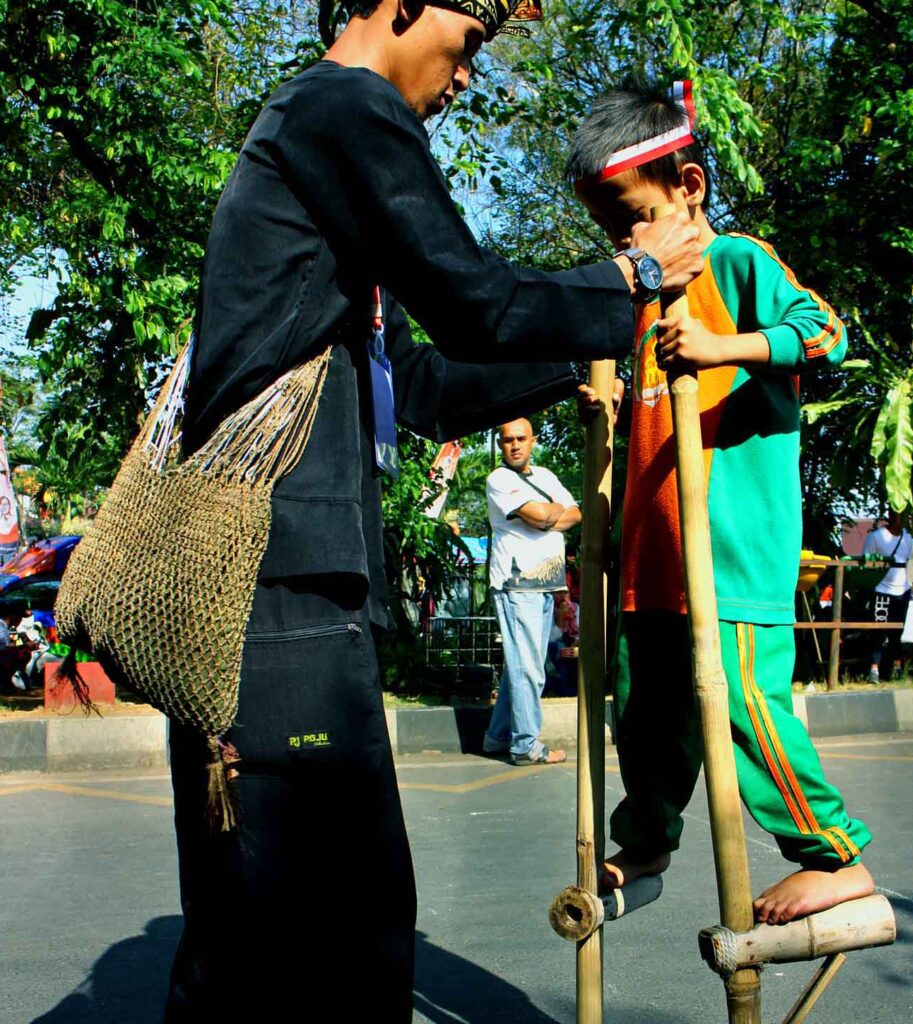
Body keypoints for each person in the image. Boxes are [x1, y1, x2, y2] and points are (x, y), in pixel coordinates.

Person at [165, 4, 705, 1020]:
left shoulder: (323, 158)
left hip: (304, 583)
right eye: (471, 39)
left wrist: (588, 350)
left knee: (271, 931)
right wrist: (631, 278)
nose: (467, 76)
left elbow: (423, 382)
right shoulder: (343, 110)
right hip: (274, 584)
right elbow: (472, 295)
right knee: (328, 930)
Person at [570, 78, 873, 926]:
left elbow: (826, 337)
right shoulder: (636, 306)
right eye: (609, 228)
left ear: (688, 189)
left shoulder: (738, 262)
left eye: (630, 216)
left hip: (732, 552)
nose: (623, 239)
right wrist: (617, 411)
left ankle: (833, 855)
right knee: (645, 709)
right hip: (654, 562)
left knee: (741, 707)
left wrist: (722, 344)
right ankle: (649, 841)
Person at [483, 418, 579, 763]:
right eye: (507, 439)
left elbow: (576, 514)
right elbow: (540, 514)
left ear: (533, 440)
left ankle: (497, 736)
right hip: (516, 584)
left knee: (523, 665)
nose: (515, 445)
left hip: (547, 585)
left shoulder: (546, 477)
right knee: (528, 668)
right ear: (500, 444)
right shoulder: (499, 479)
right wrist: (551, 512)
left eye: (521, 438)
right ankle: (525, 745)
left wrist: (545, 515)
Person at [862, 511, 913, 682]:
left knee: (897, 632)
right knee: (878, 631)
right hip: (881, 589)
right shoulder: (876, 537)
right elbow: (866, 562)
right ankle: (874, 670)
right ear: (892, 516)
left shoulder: (908, 538)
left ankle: (896, 668)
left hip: (902, 590)